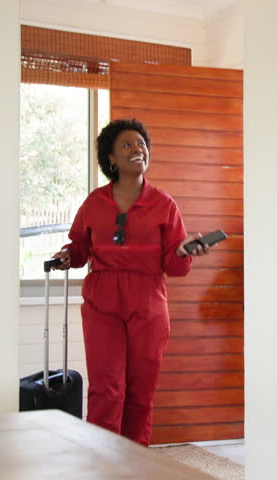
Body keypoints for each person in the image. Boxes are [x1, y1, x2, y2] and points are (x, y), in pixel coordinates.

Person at [52, 118, 209, 446]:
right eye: (127, 144)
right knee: (106, 389)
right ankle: (102, 463)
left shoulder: (164, 204)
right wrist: (68, 254)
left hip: (148, 300)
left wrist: (183, 252)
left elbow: (174, 266)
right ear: (111, 157)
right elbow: (80, 247)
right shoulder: (95, 202)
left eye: (142, 144)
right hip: (102, 299)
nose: (138, 149)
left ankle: (135, 465)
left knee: (140, 392)